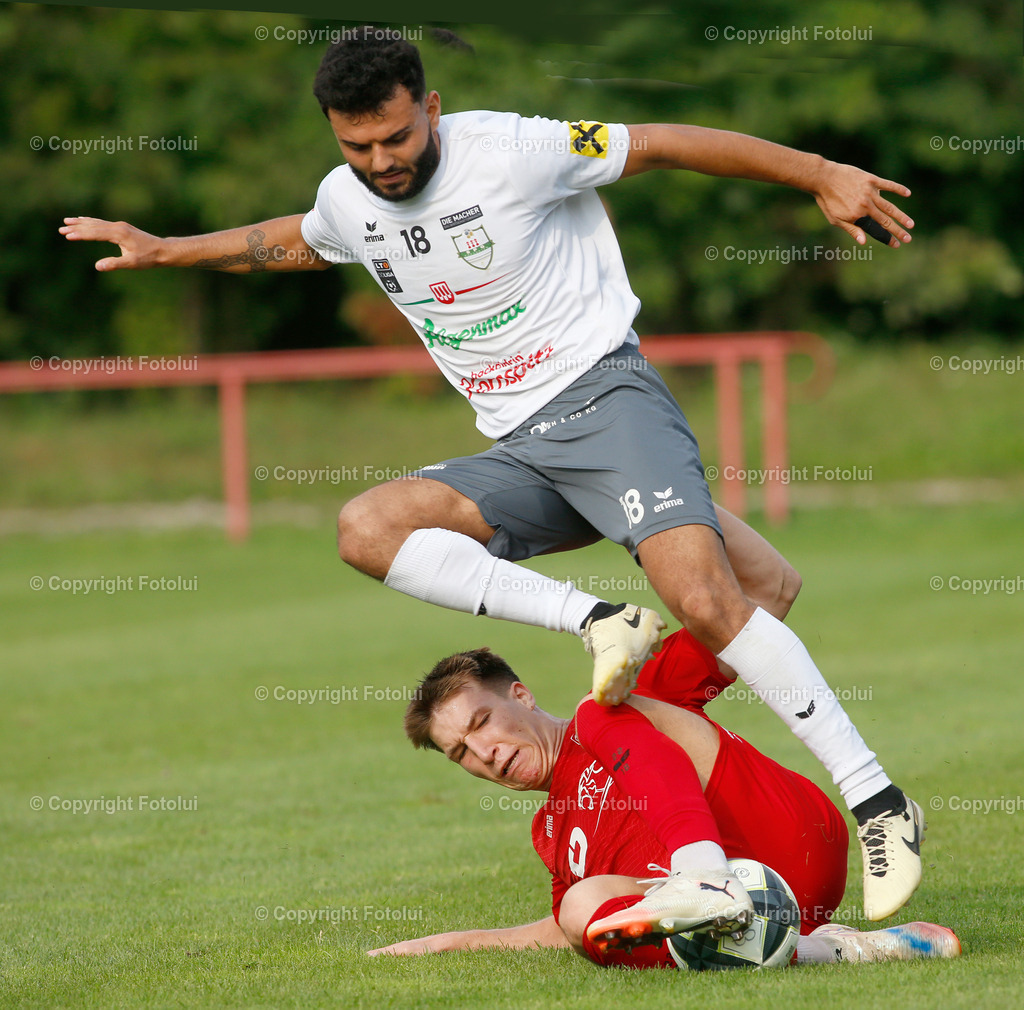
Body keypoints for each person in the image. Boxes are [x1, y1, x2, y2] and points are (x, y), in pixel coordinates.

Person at [60, 26, 923, 920]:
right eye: (356, 145)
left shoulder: (516, 150)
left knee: (710, 601)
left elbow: (661, 143)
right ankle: (601, 619)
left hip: (606, 402)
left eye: (396, 137)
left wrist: (820, 172)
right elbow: (301, 239)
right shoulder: (346, 197)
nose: (381, 160)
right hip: (519, 451)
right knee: (367, 529)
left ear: (429, 108)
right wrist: (167, 250)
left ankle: (878, 801)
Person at [365, 629, 960, 969]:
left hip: (788, 833)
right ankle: (836, 950)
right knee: (580, 907)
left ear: (519, 694)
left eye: (482, 722)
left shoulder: (620, 697)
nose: (484, 753)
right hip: (770, 910)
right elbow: (574, 928)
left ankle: (706, 877)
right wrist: (447, 942)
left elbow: (745, 613)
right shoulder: (550, 833)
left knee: (602, 709)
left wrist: (678, 525)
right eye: (461, 752)